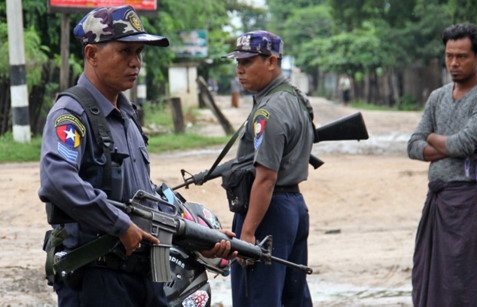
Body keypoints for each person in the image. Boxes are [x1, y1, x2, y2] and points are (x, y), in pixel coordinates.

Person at [38, 6, 235, 306]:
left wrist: (201, 240)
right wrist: (119, 225)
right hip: (97, 278)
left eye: (139, 52)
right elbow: (58, 179)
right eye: (125, 51)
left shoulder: (126, 116)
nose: (136, 62)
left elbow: (142, 200)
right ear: (91, 54)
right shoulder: (72, 114)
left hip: (142, 276)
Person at [222, 30, 314, 307]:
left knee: (257, 296)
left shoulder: (269, 110)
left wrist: (248, 233)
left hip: (267, 210)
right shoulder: (296, 98)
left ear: (271, 62)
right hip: (292, 206)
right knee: (292, 296)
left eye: (248, 62)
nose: (240, 69)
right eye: (237, 62)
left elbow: (265, 177)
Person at [407, 23, 477, 307]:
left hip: (467, 201)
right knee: (426, 273)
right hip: (437, 198)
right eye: (449, 55)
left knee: (460, 276)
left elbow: (464, 144)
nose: (453, 63)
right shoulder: (437, 97)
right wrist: (445, 143)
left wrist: (431, 137)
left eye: (462, 56)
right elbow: (412, 146)